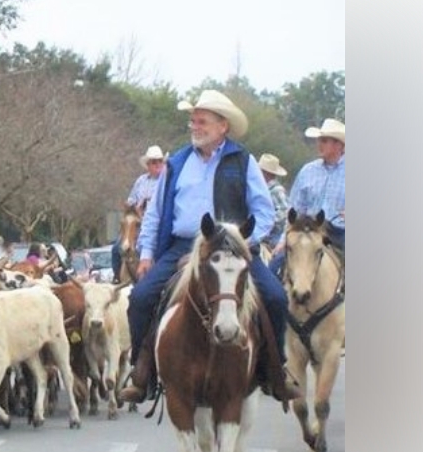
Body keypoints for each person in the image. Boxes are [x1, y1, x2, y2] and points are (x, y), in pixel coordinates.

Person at [118, 89, 303, 405]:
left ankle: (276, 370)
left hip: (232, 248)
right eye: (193, 121)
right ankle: (142, 370)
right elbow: (156, 214)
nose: (195, 127)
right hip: (182, 246)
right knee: (141, 297)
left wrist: (244, 243)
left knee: (274, 296)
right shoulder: (175, 163)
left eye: (202, 121)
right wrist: (147, 253)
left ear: (223, 127)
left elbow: (264, 212)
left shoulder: (242, 161)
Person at [270, 118, 346, 274]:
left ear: (339, 145)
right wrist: (283, 241)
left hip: (340, 233)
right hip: (306, 230)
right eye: (319, 140)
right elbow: (294, 209)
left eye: (324, 141)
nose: (319, 144)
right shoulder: (307, 171)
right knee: (275, 265)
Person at [111, 145, 165, 281]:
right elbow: (130, 200)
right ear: (148, 165)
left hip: (158, 224)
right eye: (153, 162)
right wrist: (135, 205)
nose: (157, 164)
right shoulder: (141, 181)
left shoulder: (166, 181)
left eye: (159, 161)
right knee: (117, 248)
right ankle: (117, 277)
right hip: (137, 223)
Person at [257, 153, 290, 252]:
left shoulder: (277, 190)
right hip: (262, 233)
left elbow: (283, 212)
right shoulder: (260, 189)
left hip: (274, 235)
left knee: (276, 256)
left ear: (266, 173)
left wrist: (267, 222)